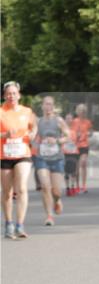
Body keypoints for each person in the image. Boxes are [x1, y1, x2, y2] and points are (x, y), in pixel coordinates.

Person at [1, 81, 37, 239]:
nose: (11, 96)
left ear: (19, 95)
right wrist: (5, 135)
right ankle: (9, 223)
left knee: (21, 188)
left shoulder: (27, 111)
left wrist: (33, 134)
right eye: (8, 93)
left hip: (23, 153)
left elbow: (33, 126)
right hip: (5, 155)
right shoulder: (1, 112)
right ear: (4, 95)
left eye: (14, 93)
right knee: (7, 192)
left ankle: (20, 225)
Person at [34, 96, 69, 226]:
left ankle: (57, 200)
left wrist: (57, 141)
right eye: (46, 104)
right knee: (44, 186)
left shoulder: (59, 120)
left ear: (53, 106)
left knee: (56, 190)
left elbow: (68, 135)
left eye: (50, 104)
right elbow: (34, 135)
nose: (48, 107)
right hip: (42, 157)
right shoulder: (39, 121)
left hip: (57, 158)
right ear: (42, 106)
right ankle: (49, 216)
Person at [72, 103, 93, 193]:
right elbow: (70, 133)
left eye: (83, 111)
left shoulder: (87, 122)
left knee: (83, 163)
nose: (82, 112)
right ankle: (77, 186)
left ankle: (83, 186)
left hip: (84, 146)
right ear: (77, 112)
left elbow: (91, 132)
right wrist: (76, 135)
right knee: (76, 168)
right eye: (80, 110)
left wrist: (88, 134)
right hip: (75, 146)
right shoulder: (74, 121)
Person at [62, 113, 80, 196]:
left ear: (72, 120)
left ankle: (72, 186)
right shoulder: (62, 130)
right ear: (65, 120)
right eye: (67, 118)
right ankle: (67, 188)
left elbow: (79, 139)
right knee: (66, 171)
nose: (69, 120)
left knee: (73, 171)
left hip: (74, 152)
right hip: (65, 153)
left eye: (70, 118)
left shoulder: (75, 129)